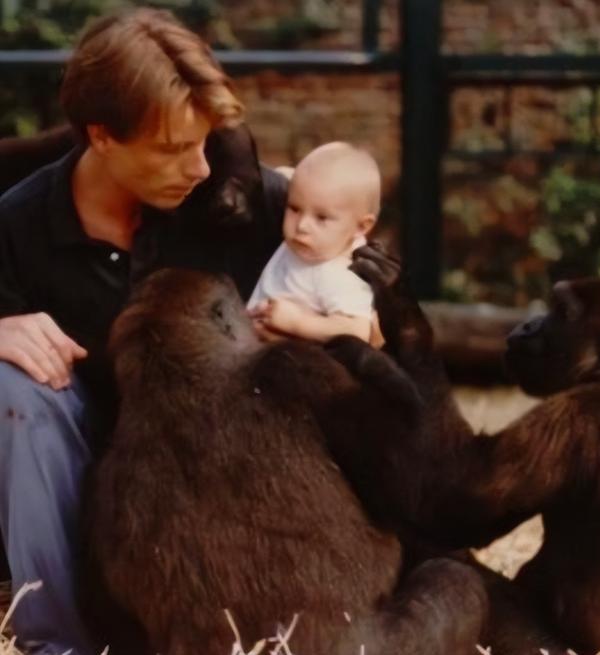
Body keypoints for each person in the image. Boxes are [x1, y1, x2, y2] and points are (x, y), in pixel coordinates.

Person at [0, 8, 287, 654]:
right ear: (101, 136)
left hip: (222, 508)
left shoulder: (242, 201)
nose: (200, 168)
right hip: (83, 497)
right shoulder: (14, 225)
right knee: (11, 386)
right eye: (172, 149)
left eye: (204, 142)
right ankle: (57, 643)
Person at [248, 142, 380, 343]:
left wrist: (298, 322)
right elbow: (291, 178)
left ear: (361, 227)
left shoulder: (342, 275)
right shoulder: (318, 240)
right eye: (294, 208)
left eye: (321, 218)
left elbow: (357, 331)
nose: (301, 225)